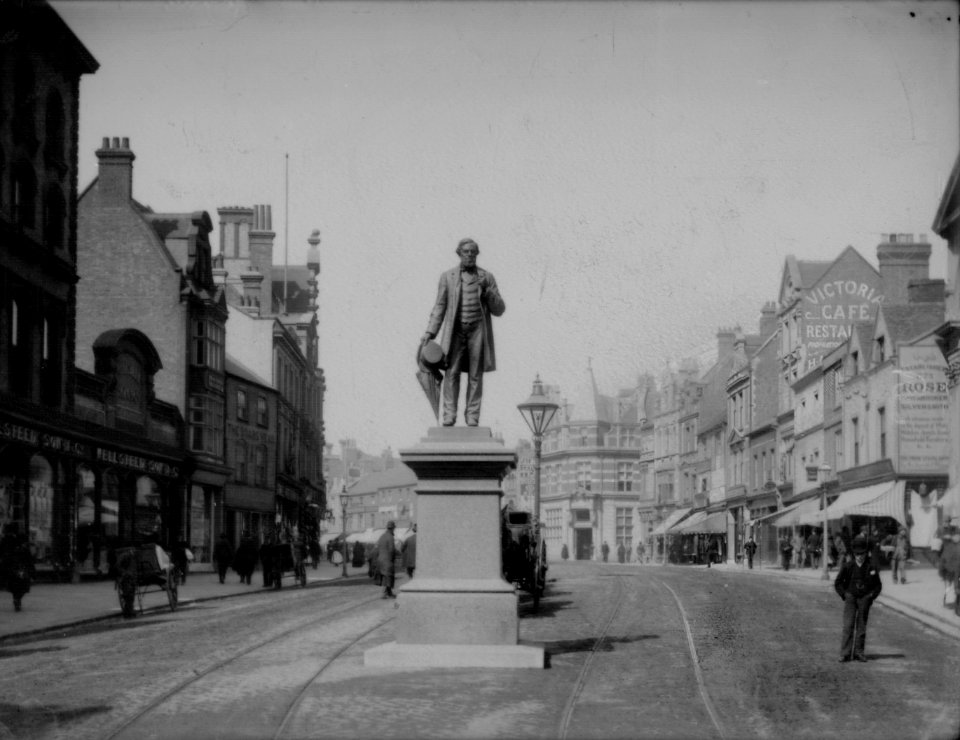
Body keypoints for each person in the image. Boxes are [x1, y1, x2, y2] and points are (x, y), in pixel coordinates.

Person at [420, 238, 506, 427]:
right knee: (452, 372)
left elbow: (499, 309)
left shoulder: (487, 277)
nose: (470, 255)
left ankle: (472, 415)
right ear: (459, 253)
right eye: (466, 252)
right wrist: (430, 332)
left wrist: (488, 291)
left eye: (473, 252)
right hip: (455, 330)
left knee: (476, 374)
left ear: (477, 255)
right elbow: (440, 306)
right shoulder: (448, 277)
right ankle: (449, 414)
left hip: (477, 330)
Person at [834, 535, 882, 662]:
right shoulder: (848, 566)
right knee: (848, 625)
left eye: (862, 554)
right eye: (857, 554)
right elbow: (838, 582)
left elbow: (878, 585)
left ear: (866, 553)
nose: (860, 556)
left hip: (864, 599)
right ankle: (845, 653)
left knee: (861, 626)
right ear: (853, 554)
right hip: (851, 598)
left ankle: (859, 652)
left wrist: (871, 597)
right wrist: (844, 594)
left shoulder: (871, 567)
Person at [0, 524, 32, 612]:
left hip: (11, 566)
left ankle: (16, 598)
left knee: (14, 584)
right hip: (18, 566)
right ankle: (17, 599)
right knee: (21, 584)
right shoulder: (19, 540)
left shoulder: (5, 540)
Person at [376, 521, 398, 598]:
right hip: (387, 560)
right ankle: (384, 593)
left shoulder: (382, 536)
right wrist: (394, 558)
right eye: (394, 528)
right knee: (388, 576)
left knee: (385, 576)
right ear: (393, 528)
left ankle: (389, 592)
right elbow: (392, 550)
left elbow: (378, 548)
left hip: (380, 559)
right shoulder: (390, 537)